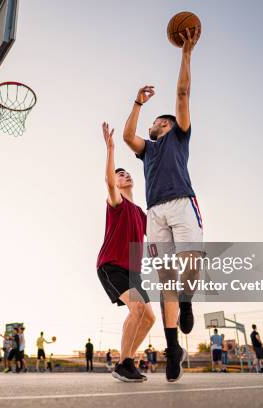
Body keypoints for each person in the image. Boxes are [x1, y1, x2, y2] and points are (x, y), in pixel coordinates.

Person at [122, 26, 202, 383]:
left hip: (182, 204)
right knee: (165, 278)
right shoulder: (148, 151)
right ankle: (174, 350)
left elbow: (183, 93)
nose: (151, 125)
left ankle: (187, 301)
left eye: (156, 120)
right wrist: (138, 103)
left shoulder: (178, 137)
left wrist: (186, 53)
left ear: (167, 125)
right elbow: (127, 137)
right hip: (155, 213)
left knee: (190, 265)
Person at [97, 123, 156, 383]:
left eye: (127, 173)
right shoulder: (117, 202)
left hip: (133, 270)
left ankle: (127, 362)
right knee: (137, 309)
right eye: (121, 174)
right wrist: (111, 149)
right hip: (111, 266)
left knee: (149, 318)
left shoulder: (141, 214)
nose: (124, 176)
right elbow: (109, 182)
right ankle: (123, 363)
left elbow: (157, 237)